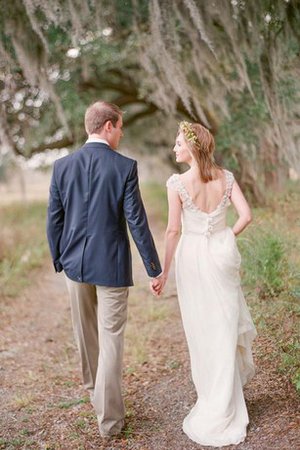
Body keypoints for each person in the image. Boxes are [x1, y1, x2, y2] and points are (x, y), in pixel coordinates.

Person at [46, 101, 162, 439]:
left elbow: (54, 219)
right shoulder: (124, 167)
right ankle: (109, 421)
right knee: (110, 339)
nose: (122, 133)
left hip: (74, 267)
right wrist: (153, 268)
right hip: (110, 266)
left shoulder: (62, 166)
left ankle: (95, 392)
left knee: (86, 334)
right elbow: (137, 222)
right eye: (120, 126)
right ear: (108, 126)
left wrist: (59, 258)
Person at [152, 121, 257, 447]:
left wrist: (163, 272)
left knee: (201, 330)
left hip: (193, 258)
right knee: (225, 325)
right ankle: (228, 400)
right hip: (220, 255)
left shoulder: (177, 183)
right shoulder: (226, 178)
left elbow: (172, 231)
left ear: (193, 147)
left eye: (179, 142)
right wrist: (225, 237)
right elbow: (246, 216)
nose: (174, 148)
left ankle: (215, 402)